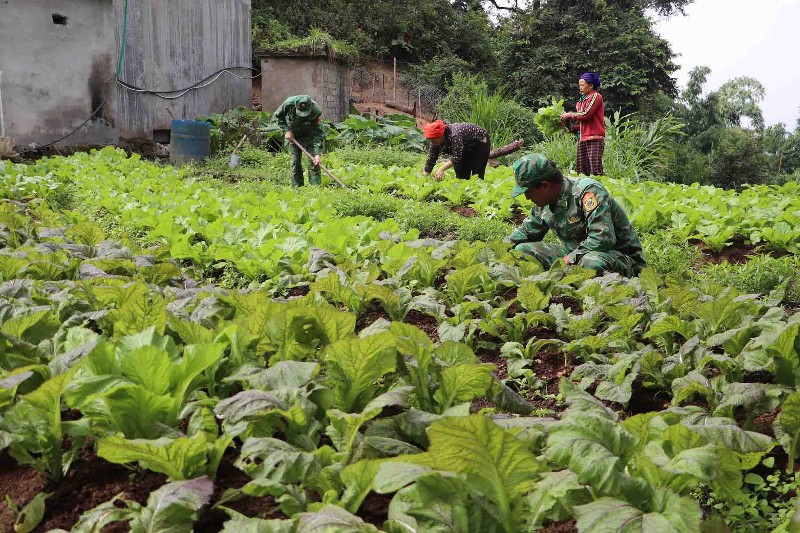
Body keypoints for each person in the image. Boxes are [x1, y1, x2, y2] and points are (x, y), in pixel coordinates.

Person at [508, 153, 646, 277]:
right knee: (521, 251)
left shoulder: (587, 191)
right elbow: (525, 232)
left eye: (528, 191)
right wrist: (498, 250)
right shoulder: (544, 203)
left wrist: (570, 258)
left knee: (590, 263)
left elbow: (602, 239)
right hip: (574, 254)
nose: (526, 197)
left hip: (617, 257)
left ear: (545, 186)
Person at [271, 95, 325, 187]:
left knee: (315, 162)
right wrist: (287, 130)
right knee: (295, 162)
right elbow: (277, 117)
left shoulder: (316, 111)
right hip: (293, 135)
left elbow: (319, 133)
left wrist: (317, 154)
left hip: (310, 136)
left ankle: (316, 188)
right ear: (295, 106)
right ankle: (297, 188)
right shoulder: (288, 104)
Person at [560, 72, 606, 176]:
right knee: (581, 170)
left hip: (594, 138)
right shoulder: (580, 102)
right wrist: (569, 126)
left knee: (595, 170)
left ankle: (599, 190)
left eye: (582, 85)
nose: (580, 87)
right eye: (579, 85)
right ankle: (585, 192)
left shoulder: (595, 96)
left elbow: (586, 114)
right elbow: (582, 123)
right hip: (583, 138)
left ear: (591, 85)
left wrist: (569, 115)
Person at [423, 120, 491, 181]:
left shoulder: (454, 135)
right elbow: (431, 159)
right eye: (430, 141)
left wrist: (441, 169)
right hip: (465, 146)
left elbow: (456, 157)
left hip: (481, 141)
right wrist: (425, 177)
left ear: (441, 136)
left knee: (477, 173)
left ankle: (477, 191)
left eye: (434, 140)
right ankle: (465, 192)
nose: (432, 143)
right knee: (460, 172)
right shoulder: (434, 142)